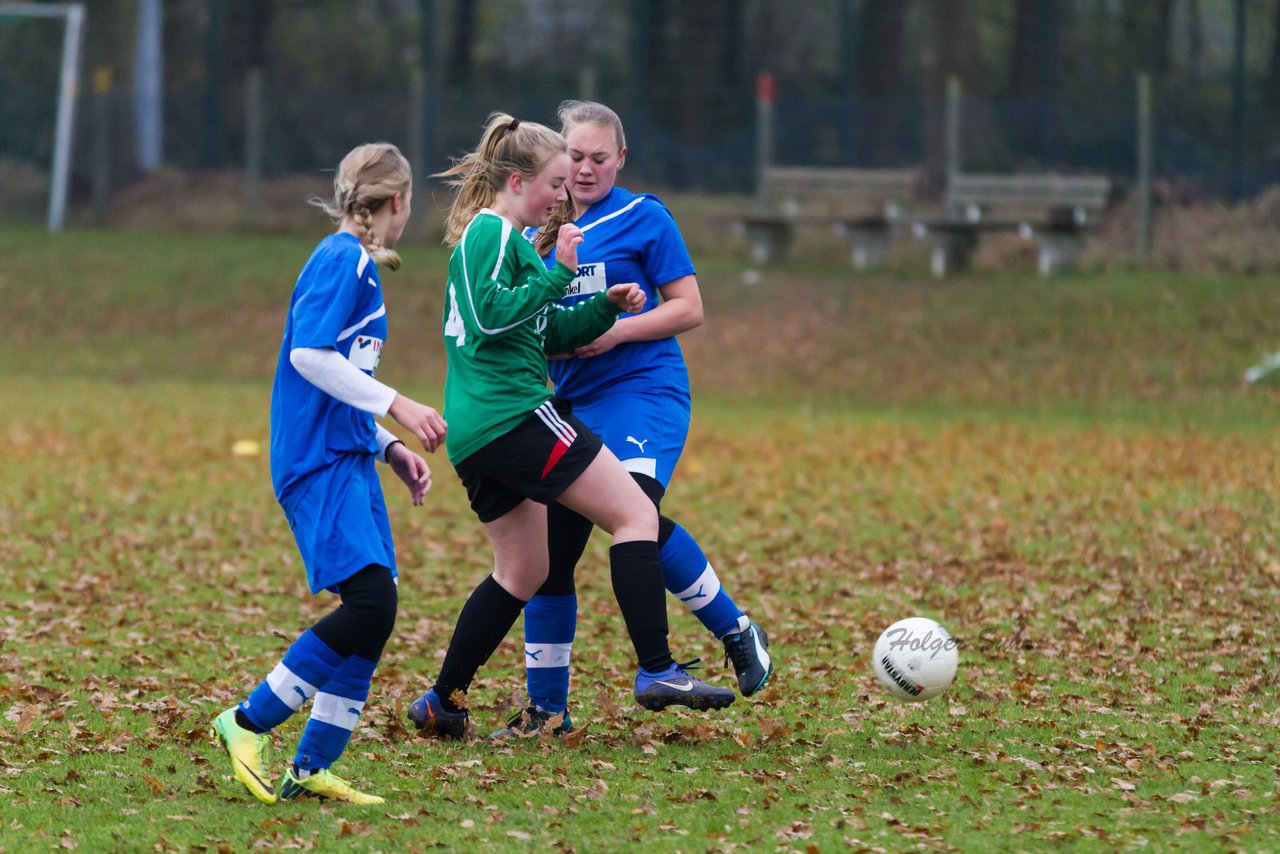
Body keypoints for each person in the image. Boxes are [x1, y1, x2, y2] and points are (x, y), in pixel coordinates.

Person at [407, 113, 733, 739]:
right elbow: (490, 320)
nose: (564, 194)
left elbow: (544, 331)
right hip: (516, 415)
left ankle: (442, 702)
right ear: (517, 179)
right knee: (635, 515)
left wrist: (603, 309)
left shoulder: (518, 246)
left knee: (524, 571)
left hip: (482, 433)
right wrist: (558, 273)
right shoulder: (491, 234)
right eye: (555, 181)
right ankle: (659, 668)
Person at [494, 101, 773, 739]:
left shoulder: (645, 218)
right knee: (553, 555)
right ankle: (548, 711)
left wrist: (613, 331)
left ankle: (732, 631)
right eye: (576, 158)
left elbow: (689, 308)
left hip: (643, 391)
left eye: (599, 158)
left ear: (621, 158)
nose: (586, 170)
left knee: (634, 511)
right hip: (569, 401)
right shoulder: (542, 226)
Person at [211, 143, 446, 805]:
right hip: (315, 462)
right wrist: (399, 402)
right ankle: (246, 721)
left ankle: (310, 767)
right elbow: (309, 356)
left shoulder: (360, 265)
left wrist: (388, 447)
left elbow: (340, 383)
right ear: (398, 202)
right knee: (372, 603)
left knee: (376, 610)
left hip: (347, 455)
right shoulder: (341, 259)